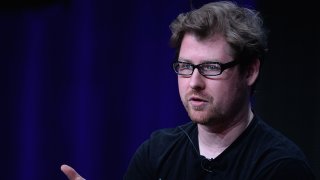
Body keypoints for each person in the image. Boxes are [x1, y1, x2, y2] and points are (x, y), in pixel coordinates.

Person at [61, 1, 315, 179]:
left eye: (211, 67)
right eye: (185, 66)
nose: (194, 82)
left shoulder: (280, 167)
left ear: (249, 71)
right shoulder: (156, 153)